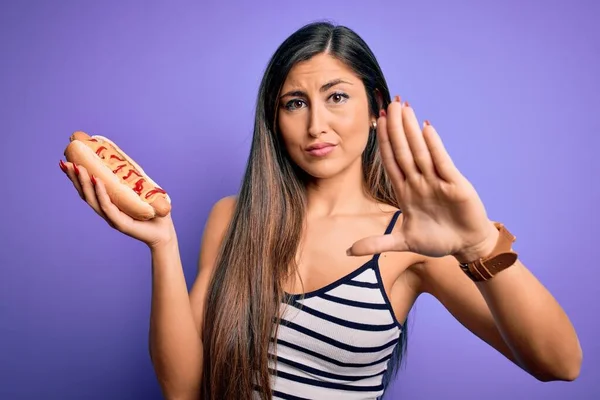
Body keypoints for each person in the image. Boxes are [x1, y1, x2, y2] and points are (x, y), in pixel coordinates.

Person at [59, 21, 582, 400]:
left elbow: (560, 364)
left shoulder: (413, 239)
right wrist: (163, 244)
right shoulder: (232, 218)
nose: (315, 126)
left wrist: (477, 245)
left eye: (336, 97)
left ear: (377, 109)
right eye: (294, 103)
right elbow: (182, 388)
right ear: (275, 118)